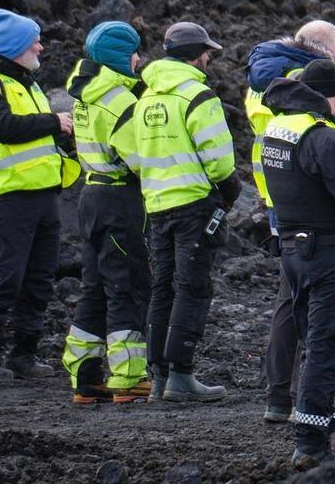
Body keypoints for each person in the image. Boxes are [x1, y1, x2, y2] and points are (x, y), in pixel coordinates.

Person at [245, 20, 335, 423]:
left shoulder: (275, 107)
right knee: (328, 325)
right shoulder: (323, 132)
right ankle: (311, 418)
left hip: (285, 211)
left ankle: (279, 399)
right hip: (323, 224)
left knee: (290, 305)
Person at [0, 8, 76, 381]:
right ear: (15, 47)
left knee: (39, 279)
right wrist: (54, 122)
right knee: (5, 274)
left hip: (44, 194)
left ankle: (24, 354)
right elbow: (3, 127)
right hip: (11, 196)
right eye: (33, 40)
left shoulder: (28, 83)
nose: (40, 46)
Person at [135, 21, 240, 403]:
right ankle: (181, 375)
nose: (210, 58)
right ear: (197, 54)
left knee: (162, 288)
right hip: (194, 206)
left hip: (156, 206)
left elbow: (134, 154)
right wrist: (229, 189)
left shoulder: (145, 98)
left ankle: (159, 376)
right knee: (192, 288)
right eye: (208, 52)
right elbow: (218, 161)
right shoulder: (198, 96)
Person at [60, 21, 152, 404]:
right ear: (120, 56)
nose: (139, 60)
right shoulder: (119, 100)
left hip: (91, 195)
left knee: (94, 287)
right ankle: (128, 379)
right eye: (133, 52)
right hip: (119, 200)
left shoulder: (87, 93)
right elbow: (136, 160)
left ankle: (85, 376)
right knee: (126, 286)